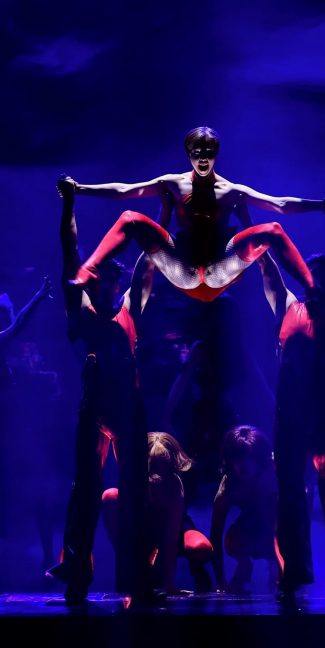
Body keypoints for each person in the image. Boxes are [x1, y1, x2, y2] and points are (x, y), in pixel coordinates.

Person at [61, 126, 325, 303]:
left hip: (218, 270)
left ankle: (312, 289)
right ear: (189, 154)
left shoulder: (231, 190)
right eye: (197, 152)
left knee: (272, 229)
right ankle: (88, 272)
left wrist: (323, 205)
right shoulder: (174, 183)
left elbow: (280, 205)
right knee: (129, 218)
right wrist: (79, 189)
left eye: (208, 152)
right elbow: (126, 190)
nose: (203, 158)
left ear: (216, 154)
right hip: (183, 269)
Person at [47, 176, 153, 605]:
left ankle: (136, 577)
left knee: (135, 489)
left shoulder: (129, 308)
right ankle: (76, 570)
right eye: (101, 278)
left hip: (127, 405)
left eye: (113, 278)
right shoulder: (84, 308)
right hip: (95, 405)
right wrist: (69, 203)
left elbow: (151, 257)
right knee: (86, 487)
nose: (107, 284)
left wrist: (160, 215)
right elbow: (69, 250)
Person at [260, 197, 325, 607]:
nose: (313, 281)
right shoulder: (289, 307)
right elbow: (267, 266)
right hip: (288, 420)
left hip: (323, 419)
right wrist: (248, 222)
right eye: (310, 275)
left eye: (322, 276)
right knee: (288, 496)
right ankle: (293, 574)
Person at [101, 432, 213, 595]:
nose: (157, 474)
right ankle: (138, 567)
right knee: (109, 495)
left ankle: (198, 570)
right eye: (153, 465)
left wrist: (169, 584)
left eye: (163, 467)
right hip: (143, 530)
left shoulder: (174, 484)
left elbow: (171, 538)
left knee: (200, 547)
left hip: (173, 528)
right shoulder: (134, 479)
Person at [0, 278, 52, 544]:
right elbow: (17, 325)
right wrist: (39, 297)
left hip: (15, 428)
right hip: (11, 429)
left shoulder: (12, 359)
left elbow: (15, 326)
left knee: (34, 486)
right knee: (30, 486)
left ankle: (43, 548)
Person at [210, 425, 278, 594]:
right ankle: (244, 566)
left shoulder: (273, 474)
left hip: (278, 525)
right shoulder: (228, 486)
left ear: (258, 458)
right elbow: (215, 535)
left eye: (248, 458)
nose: (243, 464)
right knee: (232, 540)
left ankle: (279, 572)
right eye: (237, 459)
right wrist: (220, 581)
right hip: (251, 527)